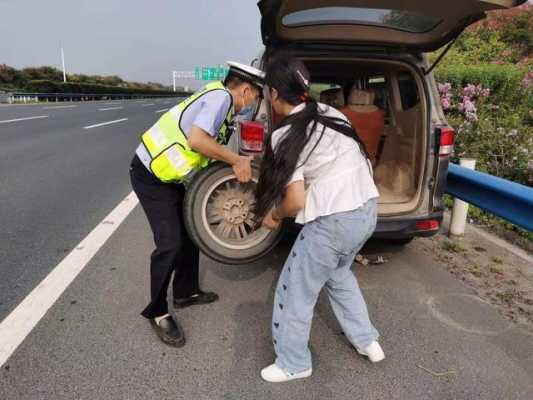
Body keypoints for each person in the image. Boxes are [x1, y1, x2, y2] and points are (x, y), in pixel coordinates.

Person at [254, 54, 384, 383]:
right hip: (367, 211)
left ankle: (294, 363)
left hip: (334, 223)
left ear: (272, 94)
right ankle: (367, 340)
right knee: (339, 275)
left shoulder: (284, 135)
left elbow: (295, 201)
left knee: (295, 290)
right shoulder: (331, 113)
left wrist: (273, 214)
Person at [129, 61, 265, 347]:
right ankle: (157, 311)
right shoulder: (221, 98)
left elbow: (206, 150)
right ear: (245, 89)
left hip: (172, 176)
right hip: (150, 174)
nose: (255, 102)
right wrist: (236, 161)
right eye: (256, 96)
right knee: (170, 243)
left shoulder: (222, 102)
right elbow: (197, 140)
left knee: (191, 232)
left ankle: (186, 292)